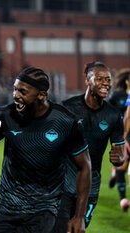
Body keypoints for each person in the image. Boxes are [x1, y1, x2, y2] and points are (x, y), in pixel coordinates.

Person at [0, 67, 92, 233]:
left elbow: (84, 165)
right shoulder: (4, 116)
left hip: (44, 209)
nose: (16, 95)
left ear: (41, 94)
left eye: (23, 91)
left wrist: (79, 216)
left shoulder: (66, 121)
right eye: (15, 89)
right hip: (6, 206)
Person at [53, 61, 125, 232]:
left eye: (108, 80)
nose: (105, 84)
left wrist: (118, 158)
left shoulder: (114, 116)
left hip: (91, 185)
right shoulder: (67, 108)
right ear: (87, 80)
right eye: (99, 79)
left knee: (79, 229)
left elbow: (119, 153)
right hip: (63, 183)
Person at [108, 68, 130, 211]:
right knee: (123, 164)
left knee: (122, 166)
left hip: (126, 135)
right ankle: (123, 199)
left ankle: (115, 172)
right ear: (127, 82)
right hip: (122, 134)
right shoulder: (118, 96)